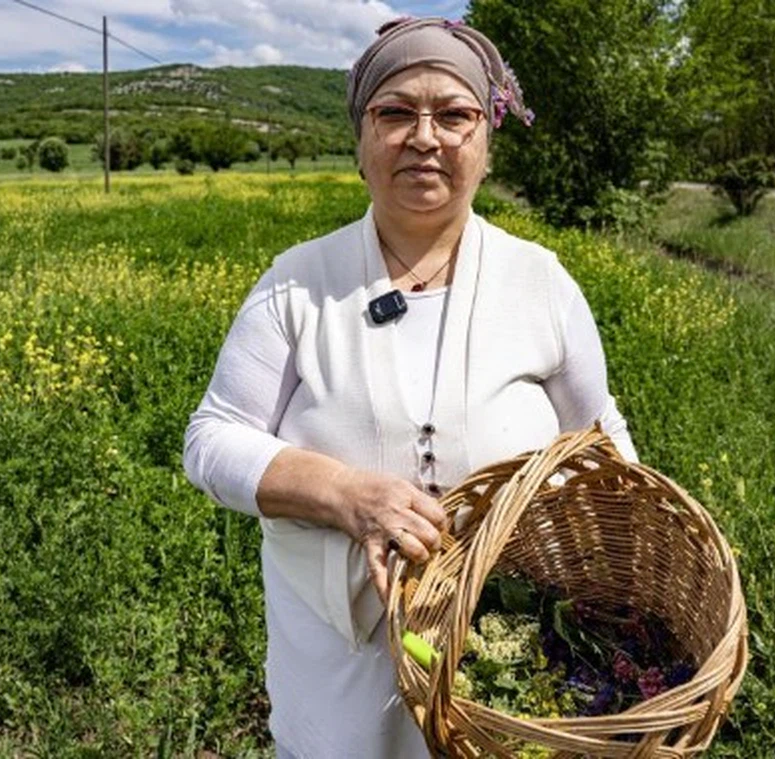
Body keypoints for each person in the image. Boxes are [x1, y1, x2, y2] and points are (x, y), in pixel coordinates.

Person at [182, 16, 639, 759]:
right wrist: (345, 494)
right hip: (336, 675)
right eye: (394, 112)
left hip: (504, 665)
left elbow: (603, 437)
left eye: (454, 115)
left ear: (485, 145)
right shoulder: (299, 282)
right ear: (361, 144)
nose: (425, 137)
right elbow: (211, 439)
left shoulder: (542, 283)